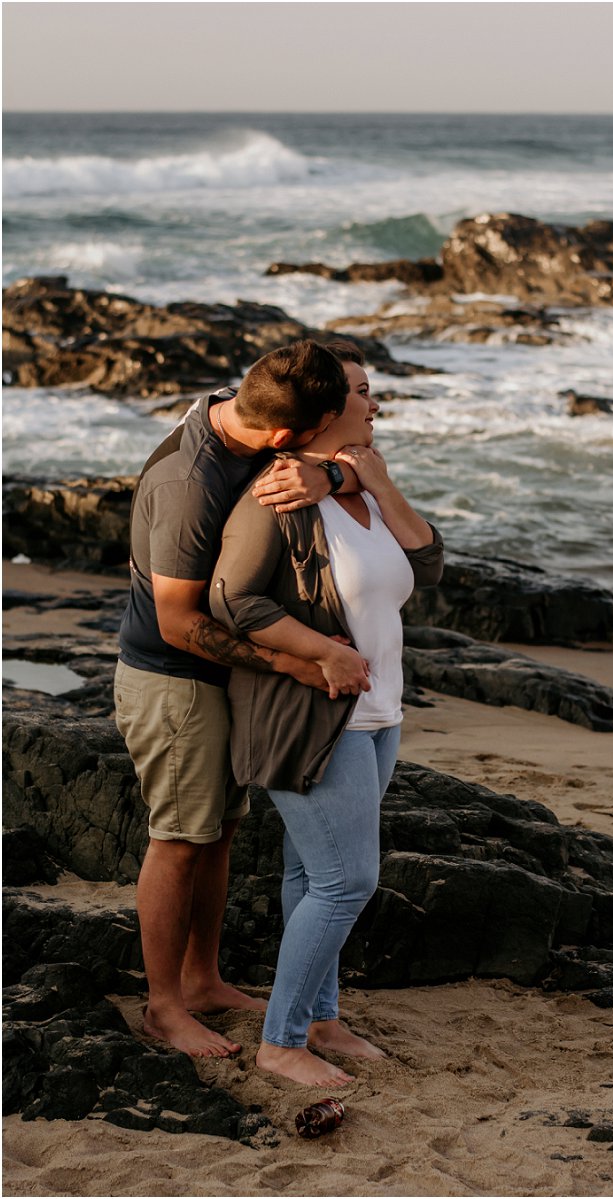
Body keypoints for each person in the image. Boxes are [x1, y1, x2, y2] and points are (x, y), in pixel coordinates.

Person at [115, 339, 371, 1060]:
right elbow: (178, 622)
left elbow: (352, 459)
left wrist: (326, 474)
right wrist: (290, 662)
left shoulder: (254, 429)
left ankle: (202, 980)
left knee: (218, 832)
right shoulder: (187, 481)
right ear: (286, 432)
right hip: (173, 681)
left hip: (221, 681)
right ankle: (164, 1007)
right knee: (178, 839)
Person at [210, 342, 444, 1087]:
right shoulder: (277, 495)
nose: (374, 403)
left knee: (311, 875)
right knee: (347, 881)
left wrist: (369, 475)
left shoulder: (358, 484)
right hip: (312, 713)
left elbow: (428, 565)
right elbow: (231, 600)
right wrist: (322, 652)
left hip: (379, 713)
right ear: (324, 410)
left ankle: (319, 1017)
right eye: (362, 392)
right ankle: (280, 1041)